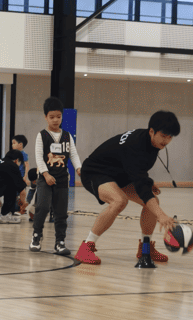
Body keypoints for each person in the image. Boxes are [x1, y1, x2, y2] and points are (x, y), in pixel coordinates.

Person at [75, 111, 180, 265]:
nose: (167, 140)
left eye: (170, 137)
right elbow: (138, 177)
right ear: (152, 131)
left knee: (152, 201)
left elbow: (138, 172)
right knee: (119, 201)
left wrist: (147, 182)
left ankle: (146, 248)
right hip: (95, 172)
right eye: (164, 135)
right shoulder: (135, 146)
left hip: (118, 175)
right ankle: (86, 247)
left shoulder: (151, 142)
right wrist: (161, 216)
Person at [29, 96, 81, 256]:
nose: (55, 120)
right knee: (42, 207)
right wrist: (45, 174)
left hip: (62, 179)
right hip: (45, 179)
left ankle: (60, 242)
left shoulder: (67, 136)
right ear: (46, 117)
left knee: (61, 212)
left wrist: (79, 168)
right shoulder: (42, 135)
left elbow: (73, 154)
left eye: (58, 117)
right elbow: (38, 157)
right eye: (52, 117)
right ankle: (36, 236)